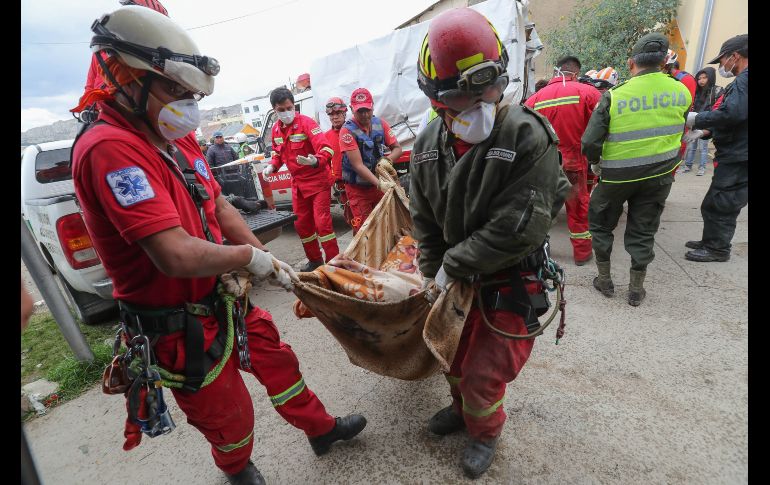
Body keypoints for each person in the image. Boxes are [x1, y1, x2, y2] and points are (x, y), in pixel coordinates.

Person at [70, 7, 365, 484]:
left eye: (190, 94)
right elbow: (175, 254)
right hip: (179, 325)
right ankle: (236, 467)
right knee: (229, 415)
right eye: (175, 91)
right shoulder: (109, 149)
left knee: (279, 361)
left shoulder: (173, 138)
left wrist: (268, 263)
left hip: (225, 297)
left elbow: (220, 209)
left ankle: (321, 430)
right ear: (127, 79)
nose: (186, 104)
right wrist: (250, 257)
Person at [411, 8, 570, 478]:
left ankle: (485, 431)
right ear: (437, 100)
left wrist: (452, 264)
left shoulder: (525, 134)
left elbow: (517, 227)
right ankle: (463, 412)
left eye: (489, 88)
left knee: (484, 373)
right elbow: (424, 217)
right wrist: (431, 271)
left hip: (510, 275)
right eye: (465, 95)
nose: (482, 102)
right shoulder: (425, 146)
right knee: (453, 357)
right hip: (459, 277)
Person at [582, 32, 692, 306]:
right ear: (664, 62)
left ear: (632, 63)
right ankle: (635, 289)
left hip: (616, 176)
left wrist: (596, 163)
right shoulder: (680, 91)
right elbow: (681, 128)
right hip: (658, 175)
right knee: (643, 230)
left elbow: (589, 142)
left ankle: (605, 281)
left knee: (602, 225)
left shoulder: (615, 96)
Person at [525, 55, 601, 266]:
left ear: (555, 72)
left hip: (544, 164)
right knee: (577, 208)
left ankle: (536, 250)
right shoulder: (588, 93)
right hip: (575, 163)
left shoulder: (534, 99)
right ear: (575, 73)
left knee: (542, 208)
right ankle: (582, 253)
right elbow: (600, 127)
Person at [684, 34, 748, 263]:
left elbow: (732, 114)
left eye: (722, 61)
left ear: (735, 56)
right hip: (737, 152)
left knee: (723, 203)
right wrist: (706, 132)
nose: (721, 66)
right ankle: (709, 241)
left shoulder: (744, 80)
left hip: (739, 156)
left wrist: (696, 119)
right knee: (713, 202)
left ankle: (718, 249)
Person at [261, 87, 339, 271]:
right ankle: (315, 260)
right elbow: (278, 154)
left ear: (293, 105)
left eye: (289, 108)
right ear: (275, 110)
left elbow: (327, 149)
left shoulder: (307, 124)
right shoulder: (276, 130)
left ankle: (335, 263)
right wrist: (272, 165)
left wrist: (315, 160)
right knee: (302, 225)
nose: (287, 112)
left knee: (322, 224)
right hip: (298, 184)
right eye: (281, 110)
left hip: (318, 180)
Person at [338, 87, 402, 233]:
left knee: (387, 224)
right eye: (360, 111)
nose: (365, 114)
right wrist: (379, 184)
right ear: (352, 109)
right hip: (358, 189)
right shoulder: (347, 131)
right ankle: (365, 255)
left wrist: (388, 160)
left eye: (367, 110)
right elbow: (358, 165)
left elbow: (398, 148)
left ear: (373, 107)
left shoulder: (381, 124)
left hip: (377, 185)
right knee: (366, 230)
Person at [679, 67, 723, 175]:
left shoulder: (716, 91)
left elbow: (717, 109)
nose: (701, 81)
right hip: (695, 122)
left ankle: (702, 167)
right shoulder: (697, 91)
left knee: (703, 148)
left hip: (707, 124)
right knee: (692, 146)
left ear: (710, 78)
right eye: (699, 78)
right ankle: (688, 165)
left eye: (704, 78)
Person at [323, 97, 355, 227]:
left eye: (337, 113)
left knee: (363, 215)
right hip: (341, 185)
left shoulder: (353, 129)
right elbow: (325, 162)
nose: (334, 117)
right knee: (350, 218)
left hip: (357, 181)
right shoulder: (326, 137)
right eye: (331, 114)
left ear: (344, 113)